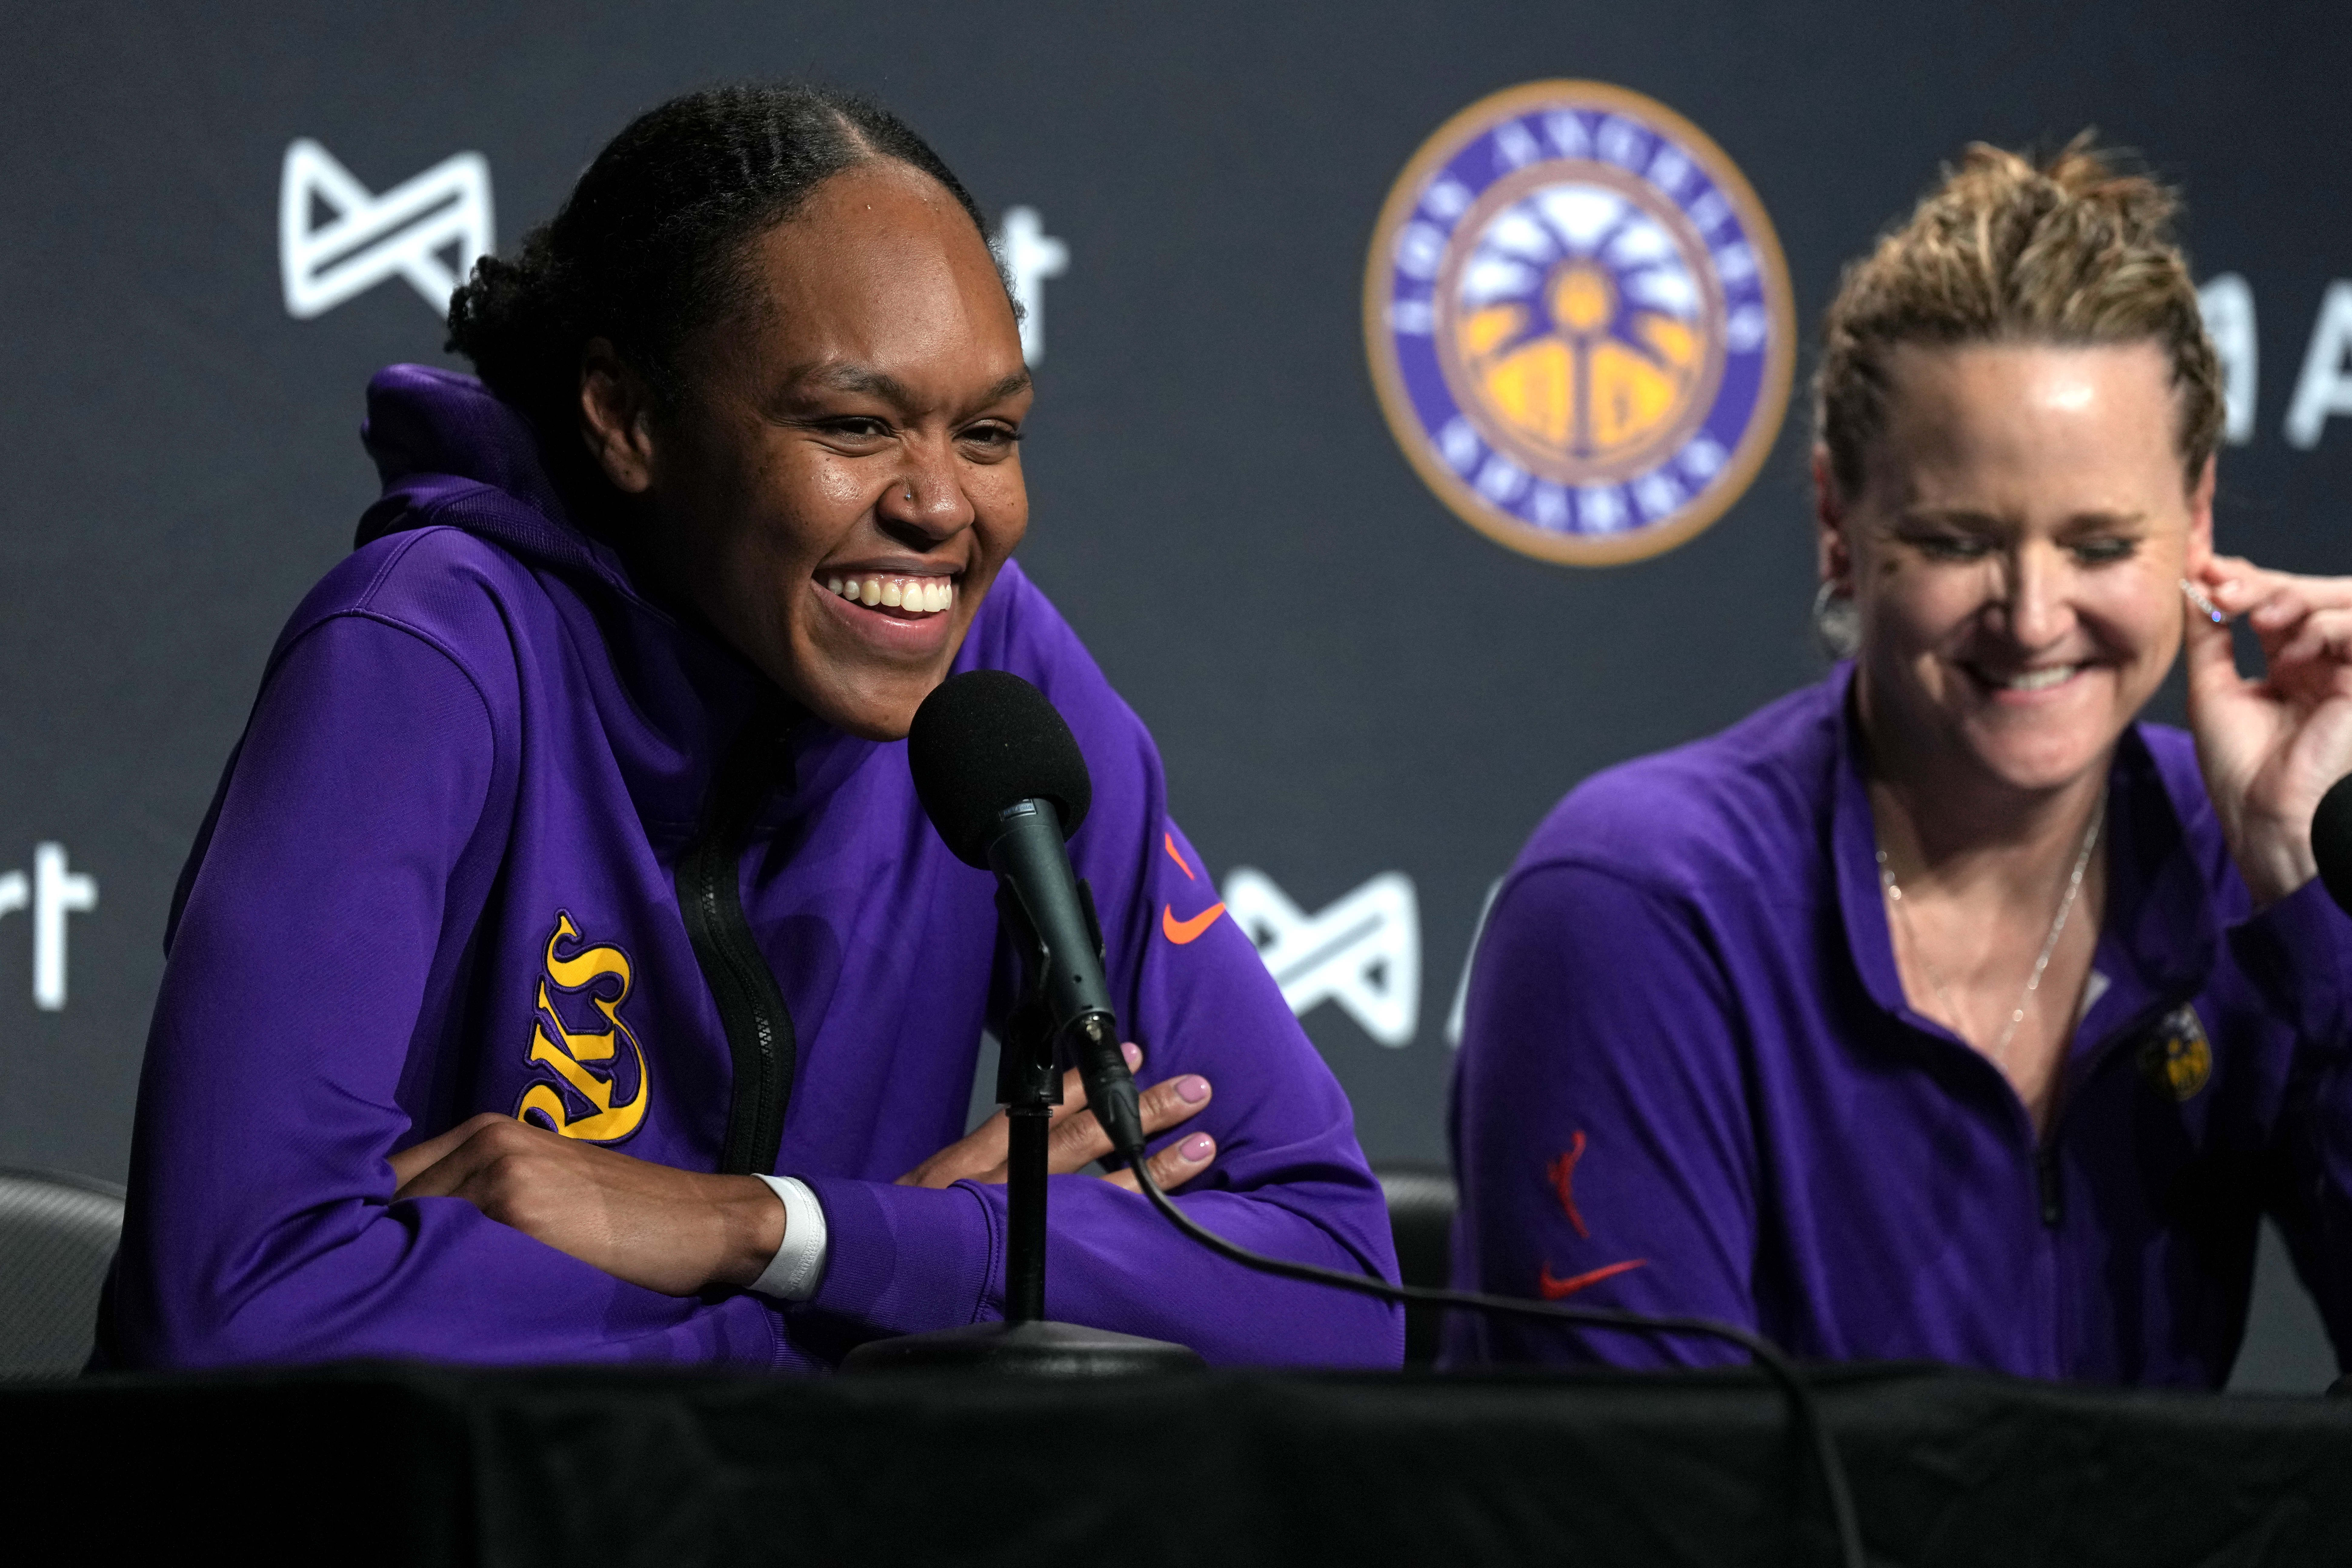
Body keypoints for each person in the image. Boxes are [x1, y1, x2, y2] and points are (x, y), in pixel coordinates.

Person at [105, 84, 1399, 1370]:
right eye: (854, 426)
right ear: (627, 418)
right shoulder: (425, 649)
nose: (944, 508)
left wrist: (782, 1233)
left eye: (990, 432)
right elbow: (235, 1305)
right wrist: (874, 1310)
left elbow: (1334, 1286)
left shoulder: (995, 675)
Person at [1448, 138, 2352, 1383]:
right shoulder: (1640, 905)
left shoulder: (2241, 870)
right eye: (1958, 539)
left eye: (2099, 545)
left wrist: (2319, 897)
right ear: (1840, 524)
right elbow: (1635, 1502)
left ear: (2195, 522)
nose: (2034, 615)